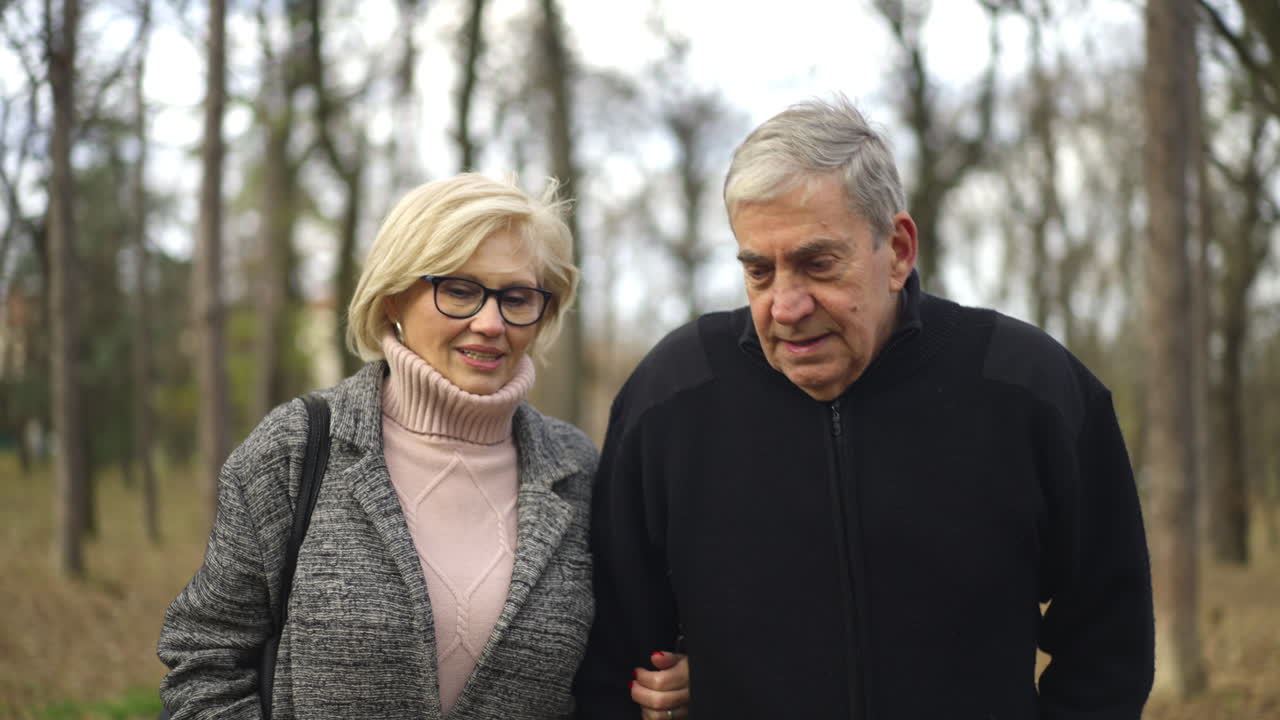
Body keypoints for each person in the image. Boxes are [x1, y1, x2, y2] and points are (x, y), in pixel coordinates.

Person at [574, 96, 1155, 719]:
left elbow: (1109, 640)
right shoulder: (673, 397)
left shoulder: (1029, 386)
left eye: (817, 264)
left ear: (898, 250)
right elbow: (614, 663)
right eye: (759, 272)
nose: (785, 306)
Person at [158, 173, 688, 719]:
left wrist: (676, 684)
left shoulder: (577, 469)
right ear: (393, 298)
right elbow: (204, 662)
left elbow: (614, 665)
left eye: (517, 297)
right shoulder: (294, 450)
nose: (490, 323)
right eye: (459, 290)